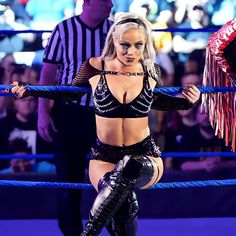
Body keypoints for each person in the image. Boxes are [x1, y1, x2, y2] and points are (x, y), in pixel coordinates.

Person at [9, 12, 200, 236]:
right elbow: (70, 94)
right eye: (125, 45)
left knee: (129, 167)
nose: (132, 52)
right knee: (123, 201)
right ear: (112, 41)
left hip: (145, 155)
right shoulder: (94, 66)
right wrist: (31, 91)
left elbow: (157, 101)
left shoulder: (151, 70)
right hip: (104, 157)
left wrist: (187, 103)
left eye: (139, 45)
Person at [8, 1, 113, 235]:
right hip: (69, 112)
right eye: (105, 0)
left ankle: (113, 229)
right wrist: (43, 112)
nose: (111, 4)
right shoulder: (63, 29)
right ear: (88, 2)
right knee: (68, 180)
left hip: (105, 114)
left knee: (111, 179)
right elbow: (48, 73)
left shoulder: (114, 31)